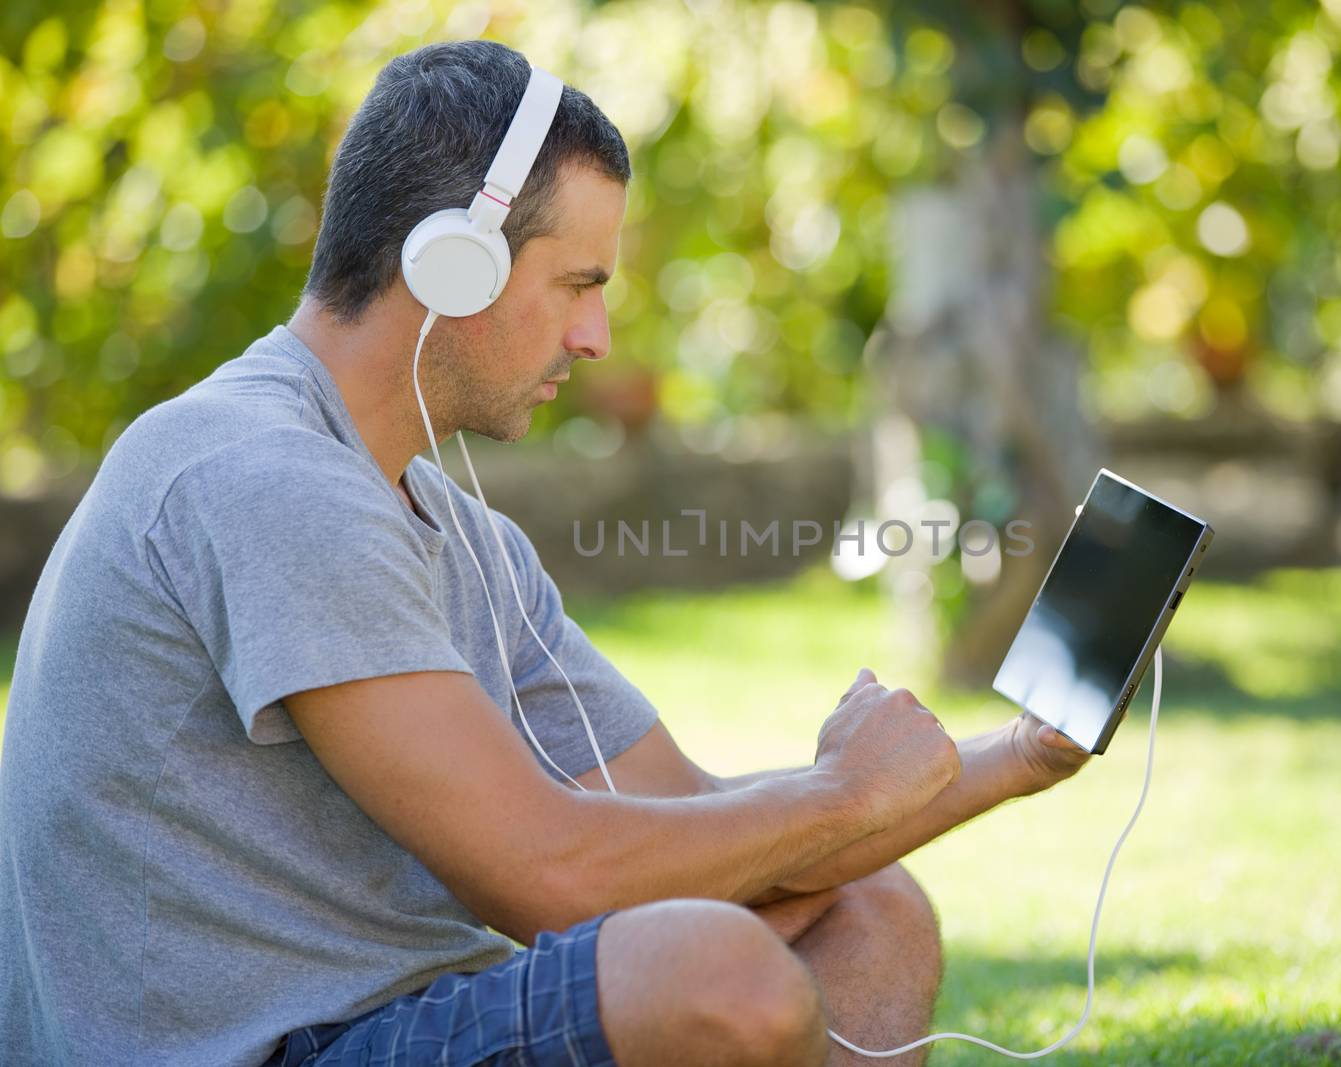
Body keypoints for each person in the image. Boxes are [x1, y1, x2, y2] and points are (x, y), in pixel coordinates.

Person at [0, 39, 1091, 1067]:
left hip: (391, 1013)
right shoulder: (259, 474)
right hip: (259, 1045)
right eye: (579, 284)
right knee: (710, 966)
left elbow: (684, 812)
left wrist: (1009, 758)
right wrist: (840, 794)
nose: (596, 338)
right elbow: (553, 875)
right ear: (455, 263)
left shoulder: (460, 532)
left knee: (873, 905)